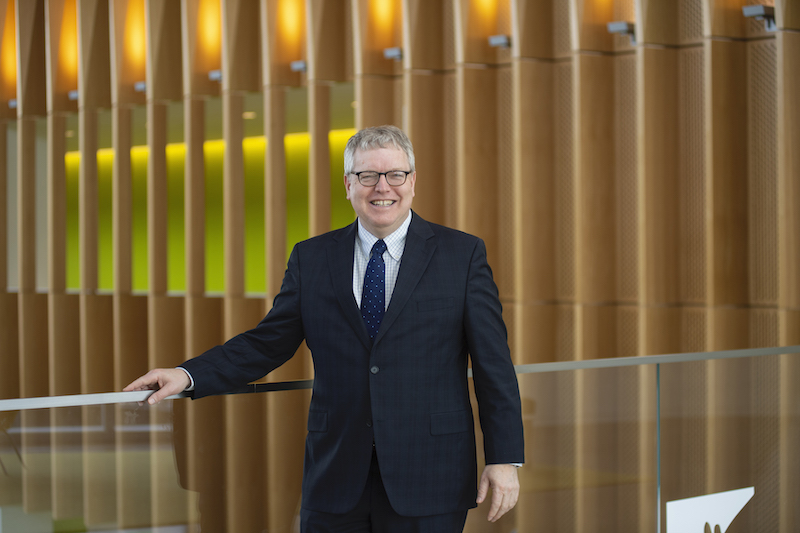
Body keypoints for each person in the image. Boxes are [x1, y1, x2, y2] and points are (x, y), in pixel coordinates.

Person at [125, 125, 524, 532]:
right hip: (336, 475)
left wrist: (504, 458)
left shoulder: (462, 254)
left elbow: (494, 365)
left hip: (430, 473)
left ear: (413, 181)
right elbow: (267, 344)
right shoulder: (312, 258)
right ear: (348, 185)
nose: (381, 187)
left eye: (395, 174)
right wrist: (188, 374)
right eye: (367, 175)